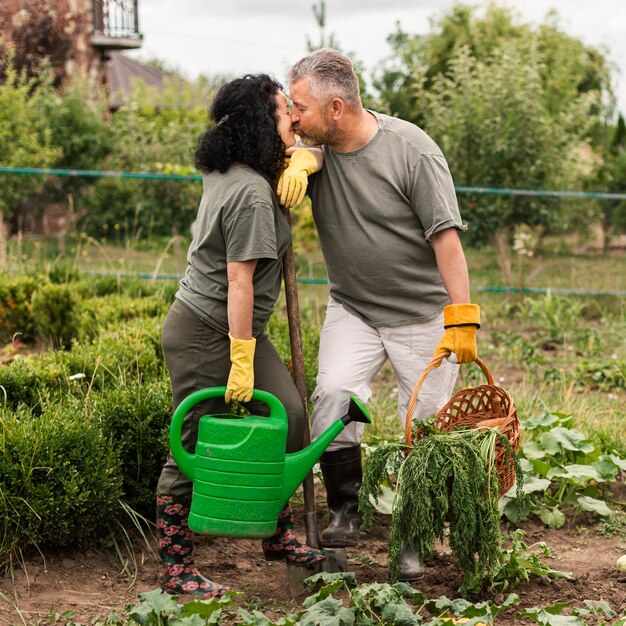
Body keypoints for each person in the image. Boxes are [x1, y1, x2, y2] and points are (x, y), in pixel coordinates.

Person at [287, 49, 481, 581]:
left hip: (422, 315)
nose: (293, 115)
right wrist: (296, 154)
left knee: (424, 427)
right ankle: (346, 510)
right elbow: (275, 144)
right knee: (331, 394)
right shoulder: (312, 150)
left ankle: (414, 535)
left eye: (300, 107)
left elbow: (447, 239)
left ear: (335, 106)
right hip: (354, 308)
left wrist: (460, 317)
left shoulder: (411, 151)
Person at [156, 74, 324, 599]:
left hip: (231, 327)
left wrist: (303, 158)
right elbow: (239, 279)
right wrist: (242, 358)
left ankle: (274, 532)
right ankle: (175, 565)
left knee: (292, 414)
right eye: (282, 113)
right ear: (258, 124)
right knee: (194, 439)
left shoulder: (231, 168)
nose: (293, 120)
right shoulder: (251, 193)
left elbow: (321, 149)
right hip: (211, 330)